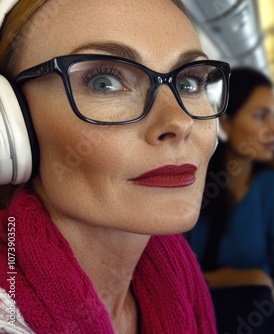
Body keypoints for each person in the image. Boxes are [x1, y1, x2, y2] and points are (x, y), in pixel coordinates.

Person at [0, 0, 230, 333]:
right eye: (103, 82)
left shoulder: (177, 274)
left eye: (189, 82)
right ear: (12, 125)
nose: (179, 121)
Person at [186, 68, 274, 334]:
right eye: (260, 116)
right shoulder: (195, 182)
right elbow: (176, 275)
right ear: (226, 123)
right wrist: (255, 278)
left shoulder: (270, 187)